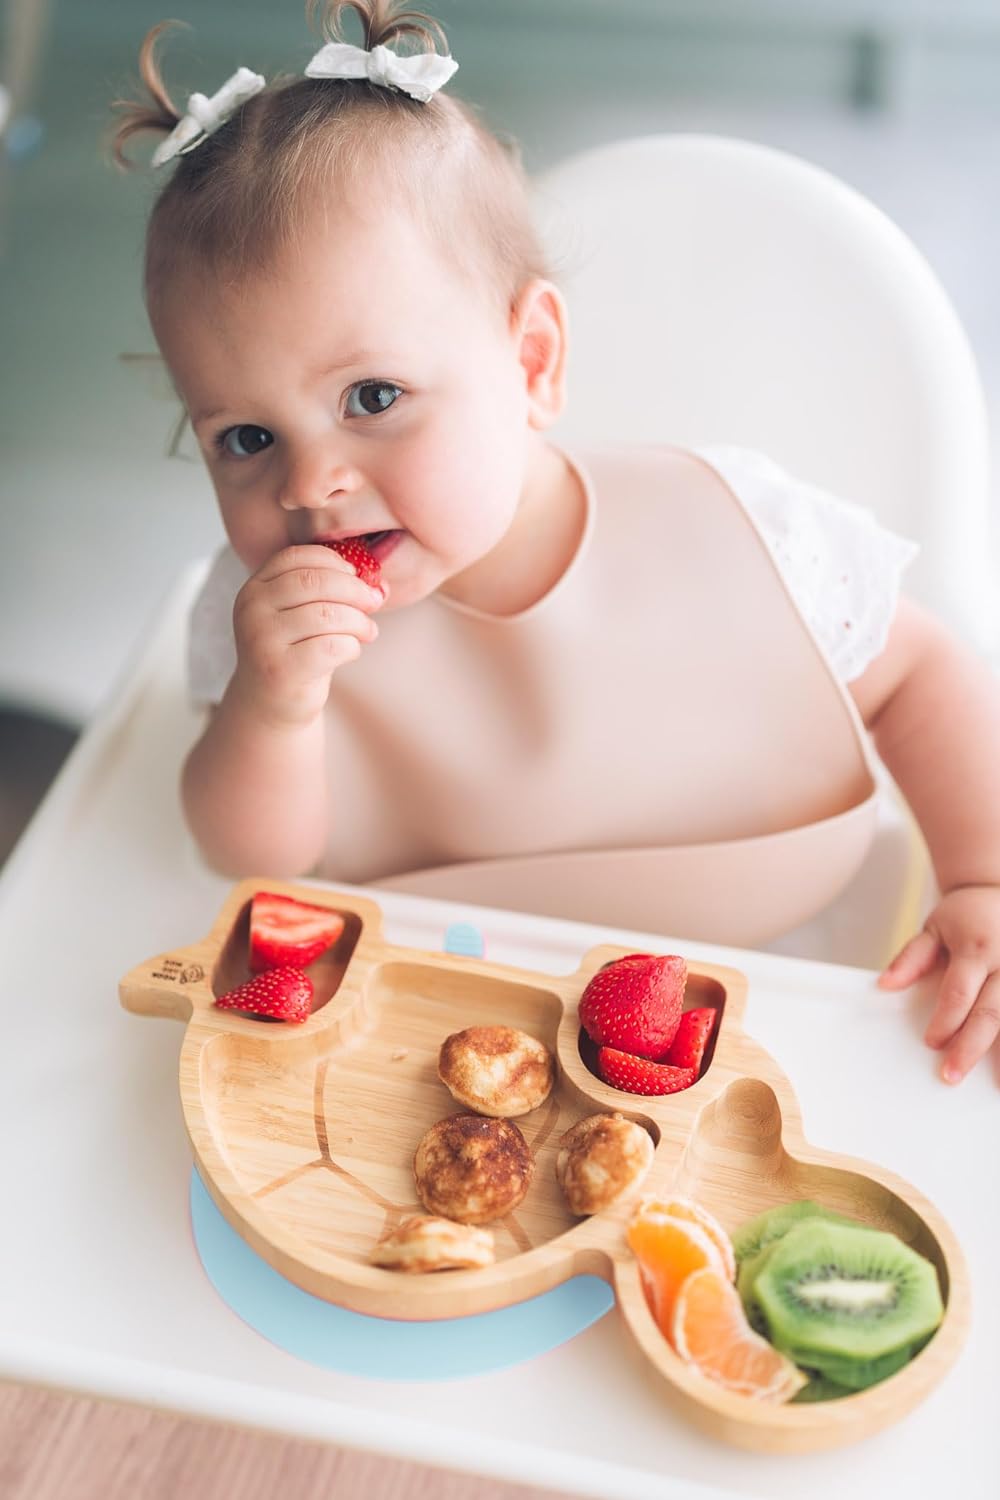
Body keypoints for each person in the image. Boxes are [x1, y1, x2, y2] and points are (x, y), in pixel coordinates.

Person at [112, 0, 1000, 1084]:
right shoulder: (263, 622)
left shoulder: (744, 530)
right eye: (246, 438)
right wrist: (274, 706)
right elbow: (250, 860)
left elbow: (923, 678)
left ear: (531, 360)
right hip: (439, 1039)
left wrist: (982, 880)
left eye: (373, 396)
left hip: (797, 999)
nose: (309, 486)